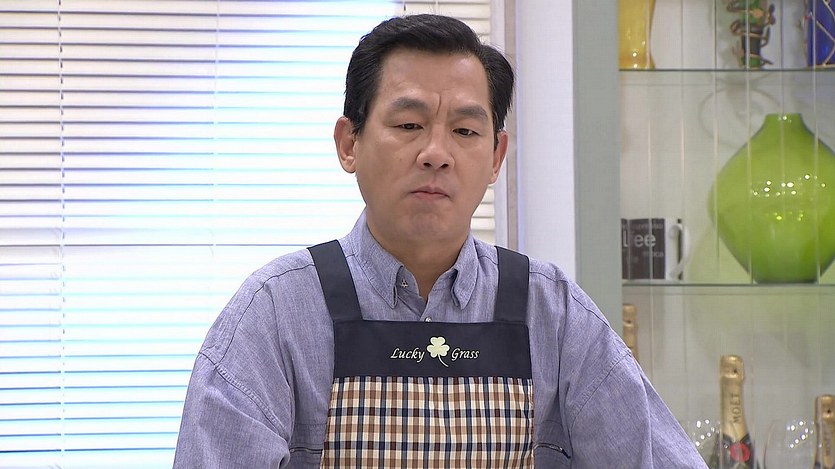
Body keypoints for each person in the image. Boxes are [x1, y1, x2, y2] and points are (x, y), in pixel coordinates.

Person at [173, 13, 708, 469]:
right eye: (409, 125)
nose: (436, 153)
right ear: (349, 143)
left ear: (496, 157)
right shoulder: (274, 315)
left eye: (465, 131)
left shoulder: (555, 314)